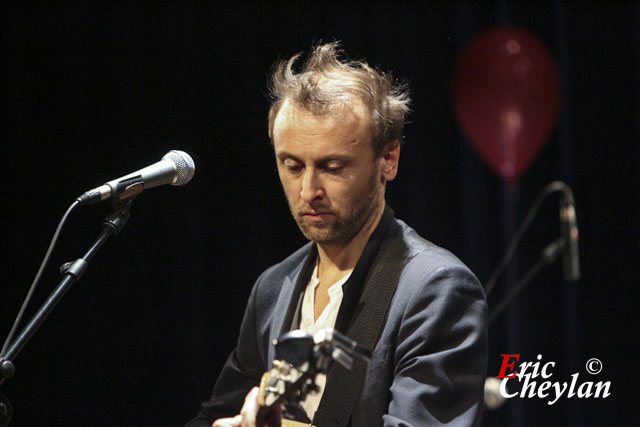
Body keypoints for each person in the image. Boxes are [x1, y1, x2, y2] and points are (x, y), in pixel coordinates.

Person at [186, 42, 488, 427]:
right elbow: (218, 413)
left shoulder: (436, 288)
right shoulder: (273, 287)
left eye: (332, 166)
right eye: (292, 165)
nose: (308, 189)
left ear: (388, 159)